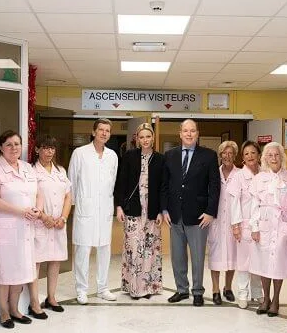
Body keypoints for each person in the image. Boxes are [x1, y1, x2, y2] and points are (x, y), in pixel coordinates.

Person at [162, 119, 220, 307]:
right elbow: (165, 185)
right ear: (180, 133)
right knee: (177, 256)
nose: (189, 134)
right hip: (175, 215)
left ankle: (197, 291)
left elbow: (214, 186)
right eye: (185, 131)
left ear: (197, 133)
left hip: (198, 216)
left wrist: (211, 211)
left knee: (197, 256)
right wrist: (164, 209)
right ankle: (181, 290)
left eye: (192, 131)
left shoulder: (209, 156)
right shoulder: (169, 155)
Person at [0, 130, 42, 327]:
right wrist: (21, 211)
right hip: (6, 226)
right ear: (1, 147)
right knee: (5, 272)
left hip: (26, 226)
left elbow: (38, 193)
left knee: (21, 268)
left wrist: (38, 210)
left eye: (17, 144)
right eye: (9, 144)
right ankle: (4, 312)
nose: (13, 148)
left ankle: (15, 309)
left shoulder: (28, 168)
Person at [68, 118, 118, 305]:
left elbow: (112, 182)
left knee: (105, 249)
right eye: (101, 130)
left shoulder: (112, 155)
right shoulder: (80, 153)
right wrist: (72, 207)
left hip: (104, 208)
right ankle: (81, 289)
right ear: (93, 131)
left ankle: (102, 288)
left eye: (107, 130)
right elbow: (71, 181)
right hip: (85, 209)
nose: (104, 133)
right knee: (82, 250)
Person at [115, 123, 164, 300]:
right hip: (133, 209)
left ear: (153, 138)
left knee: (150, 248)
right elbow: (121, 182)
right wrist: (119, 206)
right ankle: (134, 287)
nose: (145, 140)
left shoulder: (160, 159)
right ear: (137, 138)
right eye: (141, 137)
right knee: (134, 248)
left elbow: (162, 187)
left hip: (152, 210)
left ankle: (149, 286)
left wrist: (160, 211)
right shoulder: (129, 156)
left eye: (148, 137)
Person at [249, 142, 287, 317]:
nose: (274, 158)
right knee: (263, 263)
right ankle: (266, 298)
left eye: (277, 155)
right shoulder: (259, 179)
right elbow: (254, 204)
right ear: (265, 158)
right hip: (264, 225)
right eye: (270, 155)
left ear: (282, 157)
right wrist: (254, 227)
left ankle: (276, 299)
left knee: (278, 263)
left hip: (282, 226)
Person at [33, 135, 72, 312]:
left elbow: (67, 196)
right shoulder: (32, 172)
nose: (49, 152)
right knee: (36, 262)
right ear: (37, 150)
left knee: (55, 260)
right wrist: (44, 217)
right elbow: (29, 198)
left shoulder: (61, 171)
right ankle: (33, 301)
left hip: (58, 224)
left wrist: (63, 218)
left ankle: (52, 297)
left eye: (52, 148)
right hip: (40, 223)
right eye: (45, 148)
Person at [230, 141, 264, 309]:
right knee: (243, 262)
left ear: (259, 154)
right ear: (243, 158)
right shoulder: (238, 176)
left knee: (259, 261)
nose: (250, 156)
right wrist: (235, 226)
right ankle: (242, 294)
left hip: (262, 225)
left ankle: (257, 294)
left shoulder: (266, 174)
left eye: (253, 153)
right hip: (244, 224)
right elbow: (234, 202)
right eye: (246, 154)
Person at [207, 141, 239, 305]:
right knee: (215, 255)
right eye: (224, 153)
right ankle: (215, 289)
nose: (227, 156)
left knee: (233, 255)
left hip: (234, 222)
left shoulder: (239, 174)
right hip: (216, 221)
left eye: (230, 153)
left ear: (235, 155)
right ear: (220, 156)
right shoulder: (213, 174)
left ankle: (228, 287)